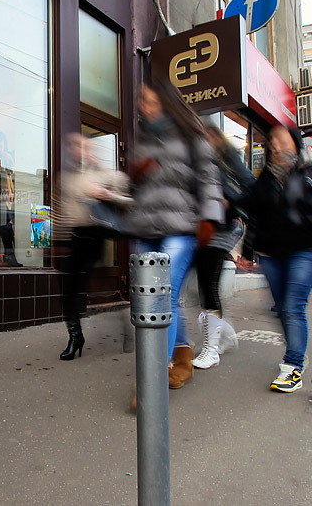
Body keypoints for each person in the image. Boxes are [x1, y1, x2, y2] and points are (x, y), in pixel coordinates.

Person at [126, 79, 225, 392]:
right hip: (146, 227)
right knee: (153, 298)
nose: (145, 106)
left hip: (181, 227)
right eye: (142, 101)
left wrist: (209, 218)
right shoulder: (143, 137)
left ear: (167, 102)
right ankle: (181, 357)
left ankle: (152, 380)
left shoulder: (191, 133)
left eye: (151, 101)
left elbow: (209, 178)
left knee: (160, 298)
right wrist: (136, 175)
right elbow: (135, 188)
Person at [245, 125, 312, 393]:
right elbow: (255, 216)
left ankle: (292, 366)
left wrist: (307, 221)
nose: (276, 145)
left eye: (282, 140)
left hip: (303, 250)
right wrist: (247, 251)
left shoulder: (310, 171)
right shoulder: (265, 179)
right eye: (272, 141)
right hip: (271, 254)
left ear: (295, 143)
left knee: (293, 306)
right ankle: (296, 352)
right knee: (282, 308)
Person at [56, 134, 133, 360]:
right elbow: (63, 212)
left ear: (93, 149)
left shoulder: (111, 176)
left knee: (99, 291)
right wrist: (58, 242)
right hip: (75, 238)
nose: (78, 150)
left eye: (83, 146)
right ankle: (75, 337)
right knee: (68, 290)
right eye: (74, 146)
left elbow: (130, 202)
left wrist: (105, 194)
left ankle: (125, 326)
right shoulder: (67, 179)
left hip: (97, 237)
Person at [191, 126, 254, 369]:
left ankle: (212, 350)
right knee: (200, 287)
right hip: (205, 226)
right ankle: (224, 336)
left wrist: (227, 198)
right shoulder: (200, 161)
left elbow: (249, 191)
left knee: (208, 285)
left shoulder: (229, 159)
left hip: (225, 226)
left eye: (208, 136)